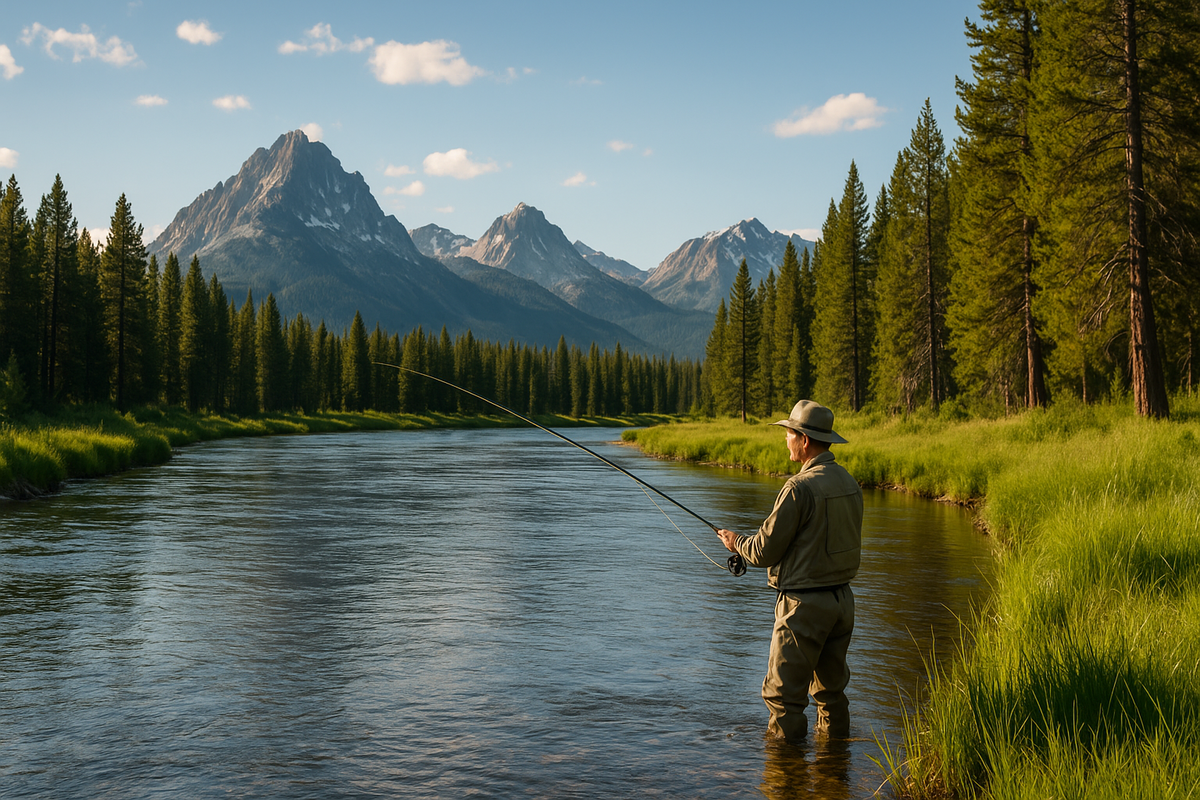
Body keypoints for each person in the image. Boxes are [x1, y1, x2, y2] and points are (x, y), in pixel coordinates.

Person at [717, 399, 863, 741]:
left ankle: (784, 778)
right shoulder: (849, 482)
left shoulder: (798, 488)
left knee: (783, 700)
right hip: (842, 603)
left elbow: (762, 551)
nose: (785, 440)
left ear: (804, 439)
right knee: (831, 694)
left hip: (803, 609)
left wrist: (735, 541)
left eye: (788, 433)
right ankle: (834, 772)